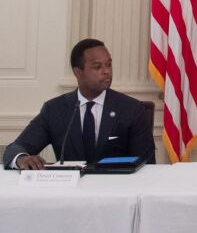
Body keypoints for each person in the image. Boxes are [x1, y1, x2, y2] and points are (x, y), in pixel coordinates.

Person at [3, 38, 156, 170]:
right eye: (97, 67)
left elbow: (147, 165)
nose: (106, 71)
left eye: (108, 64)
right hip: (69, 195)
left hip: (116, 194)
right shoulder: (55, 110)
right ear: (78, 72)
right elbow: (15, 149)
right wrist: (22, 159)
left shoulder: (131, 109)